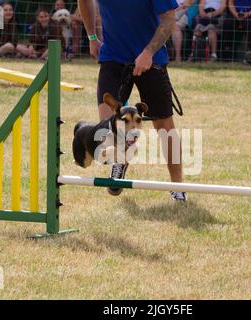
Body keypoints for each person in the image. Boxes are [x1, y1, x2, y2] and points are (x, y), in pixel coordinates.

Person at [78, 0, 187, 202]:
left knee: (164, 126)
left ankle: (178, 188)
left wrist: (148, 53)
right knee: (108, 125)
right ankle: (120, 160)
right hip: (113, 57)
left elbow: (169, 19)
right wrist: (92, 36)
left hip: (151, 60)